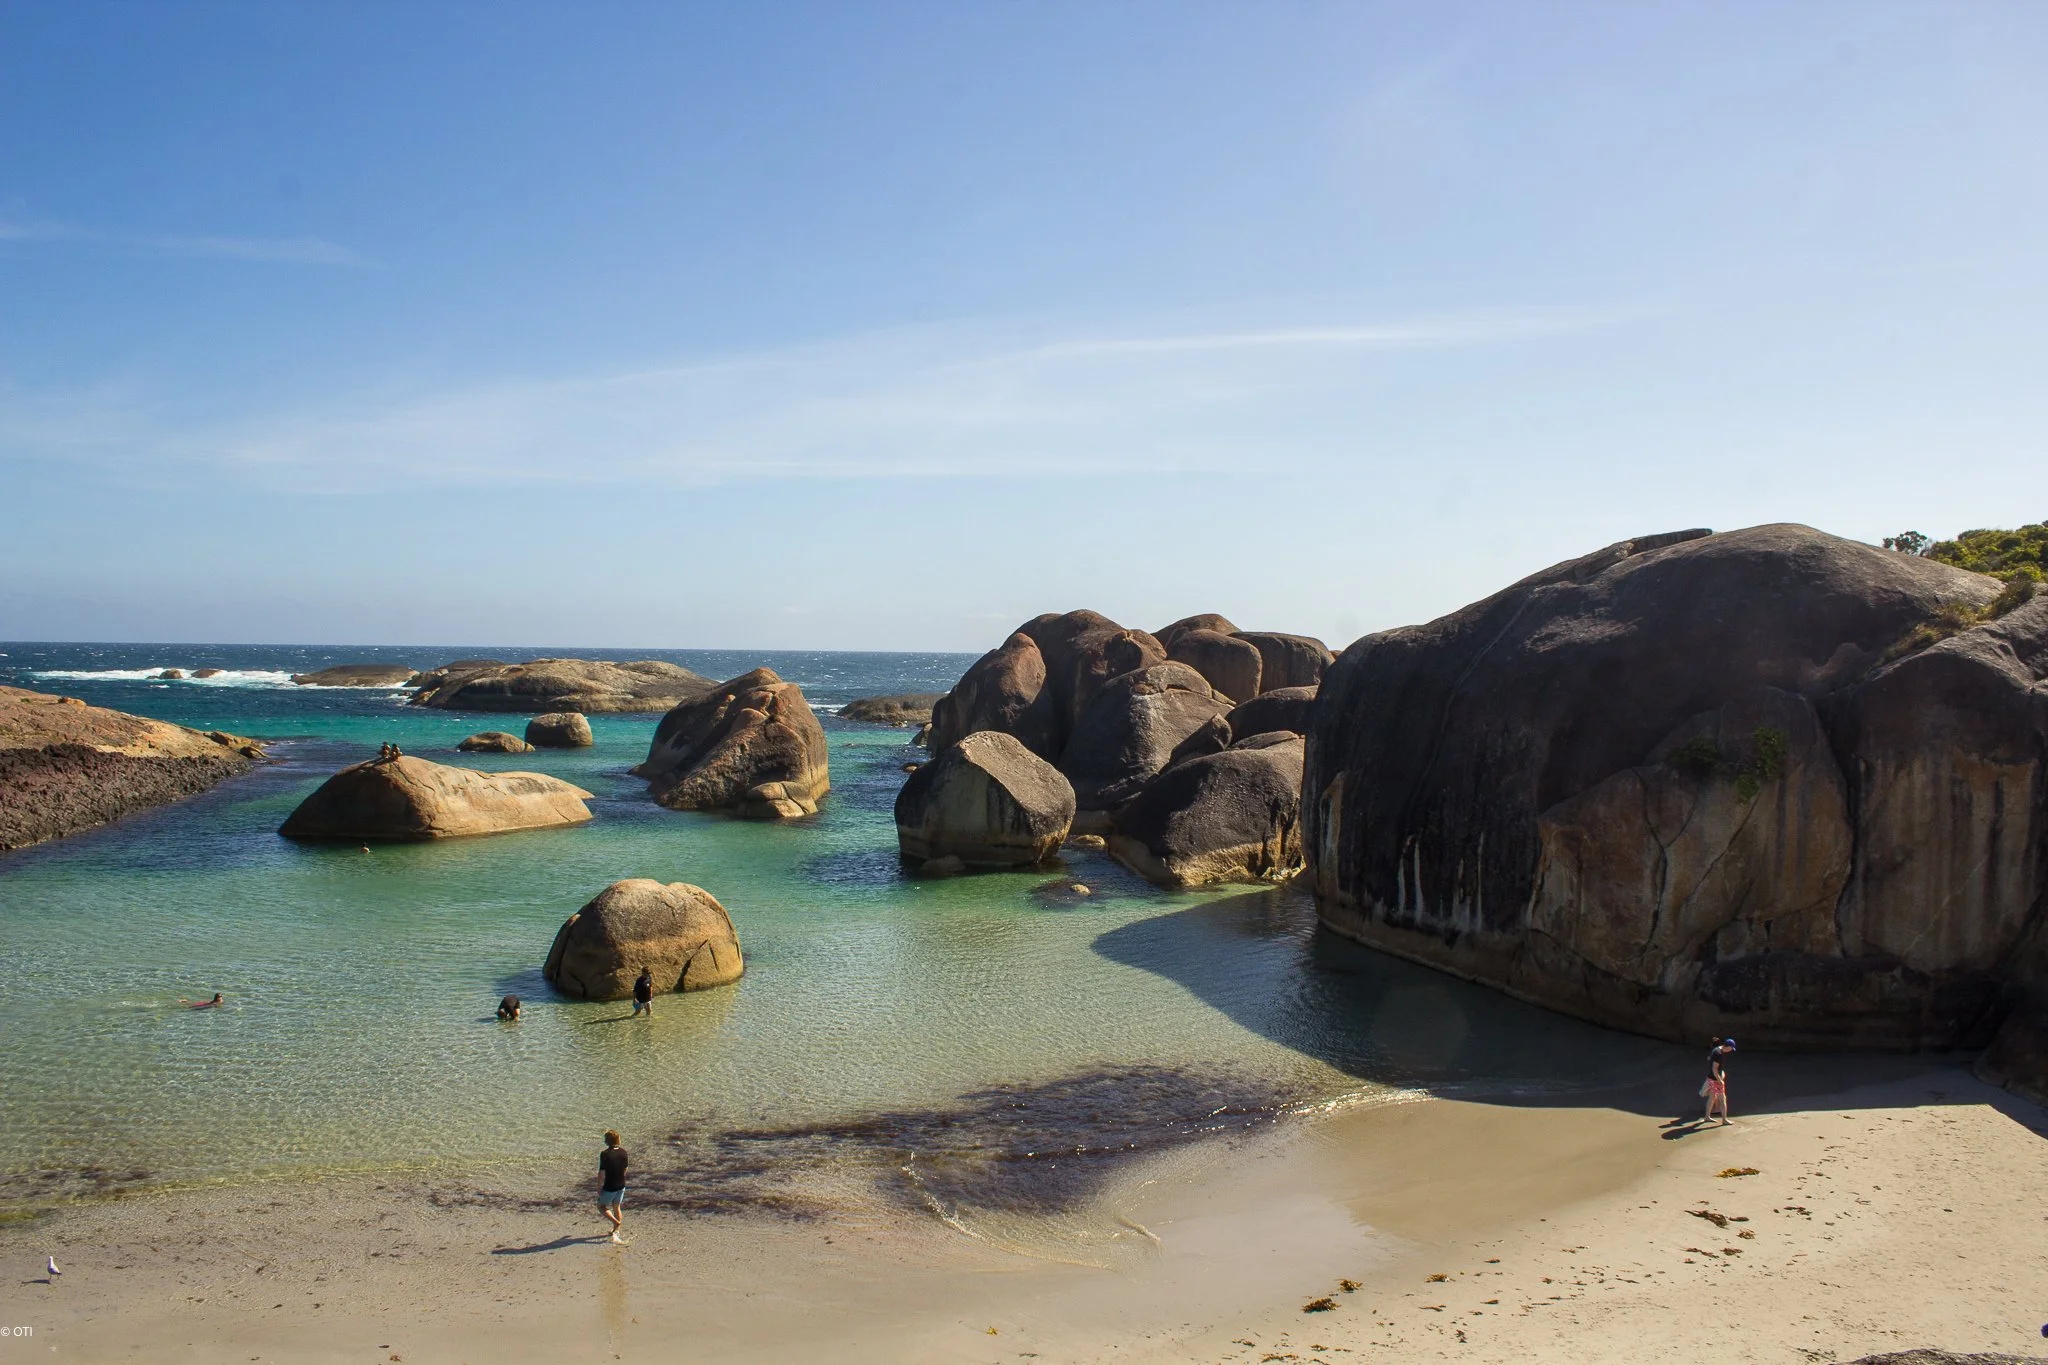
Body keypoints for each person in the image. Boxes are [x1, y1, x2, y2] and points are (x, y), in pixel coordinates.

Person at [597, 1130, 628, 1243]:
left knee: (601, 1206)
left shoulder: (605, 1154)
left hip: (610, 1186)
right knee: (617, 1207)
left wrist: (599, 1186)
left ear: (607, 1141)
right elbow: (625, 1169)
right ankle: (616, 1231)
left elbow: (601, 1172)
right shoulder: (624, 1152)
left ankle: (615, 1222)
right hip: (621, 1185)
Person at [1703, 1037, 1735, 1125]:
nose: (1731, 1051)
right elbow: (1715, 1069)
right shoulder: (1718, 1054)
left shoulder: (1716, 1050)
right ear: (1728, 1047)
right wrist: (1720, 1080)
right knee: (1722, 1099)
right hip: (1715, 1080)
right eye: (1731, 1049)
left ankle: (1707, 1117)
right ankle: (1724, 1120)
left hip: (1711, 1078)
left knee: (1712, 1097)